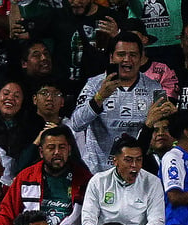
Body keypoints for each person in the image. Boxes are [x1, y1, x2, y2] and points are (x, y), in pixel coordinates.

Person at [70, 32, 164, 174]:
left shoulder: (154, 88)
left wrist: (165, 118)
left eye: (133, 55)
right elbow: (76, 124)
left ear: (141, 58)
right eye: (121, 54)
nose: (127, 60)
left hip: (135, 171)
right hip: (97, 172)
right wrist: (99, 98)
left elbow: (162, 132)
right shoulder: (94, 84)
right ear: (111, 57)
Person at [0, 125, 91, 225]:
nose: (57, 152)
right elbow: (7, 211)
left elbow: (94, 215)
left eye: (62, 147)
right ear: (41, 152)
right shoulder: (26, 177)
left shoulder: (85, 179)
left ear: (69, 150)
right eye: (51, 148)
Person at [81, 134, 165, 225]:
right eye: (128, 160)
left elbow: (157, 220)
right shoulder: (98, 181)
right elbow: (89, 213)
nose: (134, 165)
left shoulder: (152, 182)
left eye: (138, 160)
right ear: (115, 161)